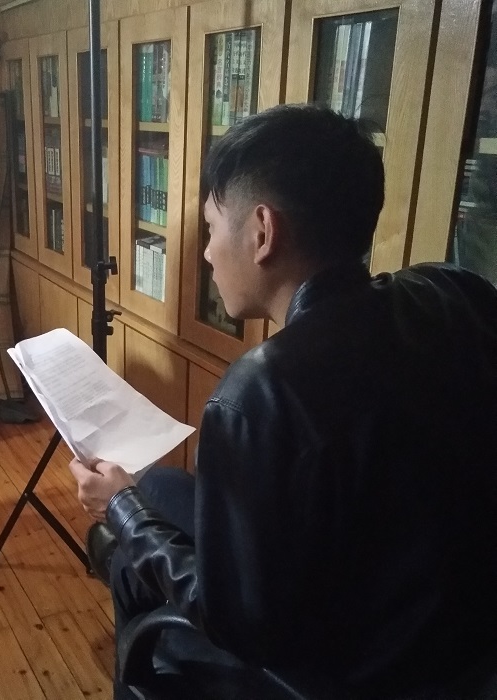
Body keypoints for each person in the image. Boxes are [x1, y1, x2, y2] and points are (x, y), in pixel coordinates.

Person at [69, 104, 497, 699]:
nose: (207, 253)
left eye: (212, 228)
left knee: (128, 553)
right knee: (162, 486)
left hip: (351, 673)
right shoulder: (455, 291)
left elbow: (236, 623)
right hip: (459, 638)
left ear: (262, 231)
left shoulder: (260, 392)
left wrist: (120, 509)